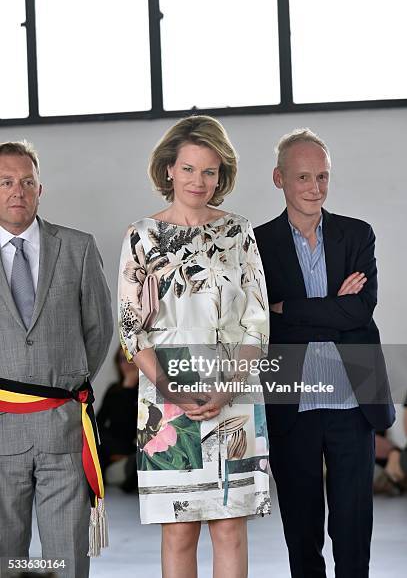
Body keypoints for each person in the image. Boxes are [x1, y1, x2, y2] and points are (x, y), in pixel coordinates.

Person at [118, 115, 271, 578]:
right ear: (168, 170)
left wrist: (229, 386)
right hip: (166, 400)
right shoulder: (140, 237)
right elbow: (131, 331)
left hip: (234, 393)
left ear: (221, 174)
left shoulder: (239, 232)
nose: (198, 181)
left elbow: (257, 323)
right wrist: (168, 387)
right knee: (179, 529)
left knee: (229, 527)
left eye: (209, 171)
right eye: (188, 169)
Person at [254, 129, 395, 578]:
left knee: (354, 528)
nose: (316, 188)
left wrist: (290, 308)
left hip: (355, 398)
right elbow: (262, 322)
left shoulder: (357, 234)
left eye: (323, 177)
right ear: (279, 179)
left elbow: (360, 309)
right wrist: (332, 307)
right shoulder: (255, 245)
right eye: (304, 178)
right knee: (302, 527)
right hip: (292, 400)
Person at [0, 141, 113, 578]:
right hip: (2, 432)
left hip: (62, 429)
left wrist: (66, 383)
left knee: (65, 558)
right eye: (6, 182)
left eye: (27, 182)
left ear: (40, 189)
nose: (17, 191)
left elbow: (99, 330)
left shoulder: (77, 248)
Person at [97, 347, 139, 492]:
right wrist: (126, 388)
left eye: (131, 359)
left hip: (135, 444)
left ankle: (129, 476)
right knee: (96, 438)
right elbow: (99, 422)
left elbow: (132, 425)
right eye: (123, 359)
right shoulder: (113, 390)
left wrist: (129, 388)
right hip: (111, 443)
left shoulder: (148, 391)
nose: (128, 364)